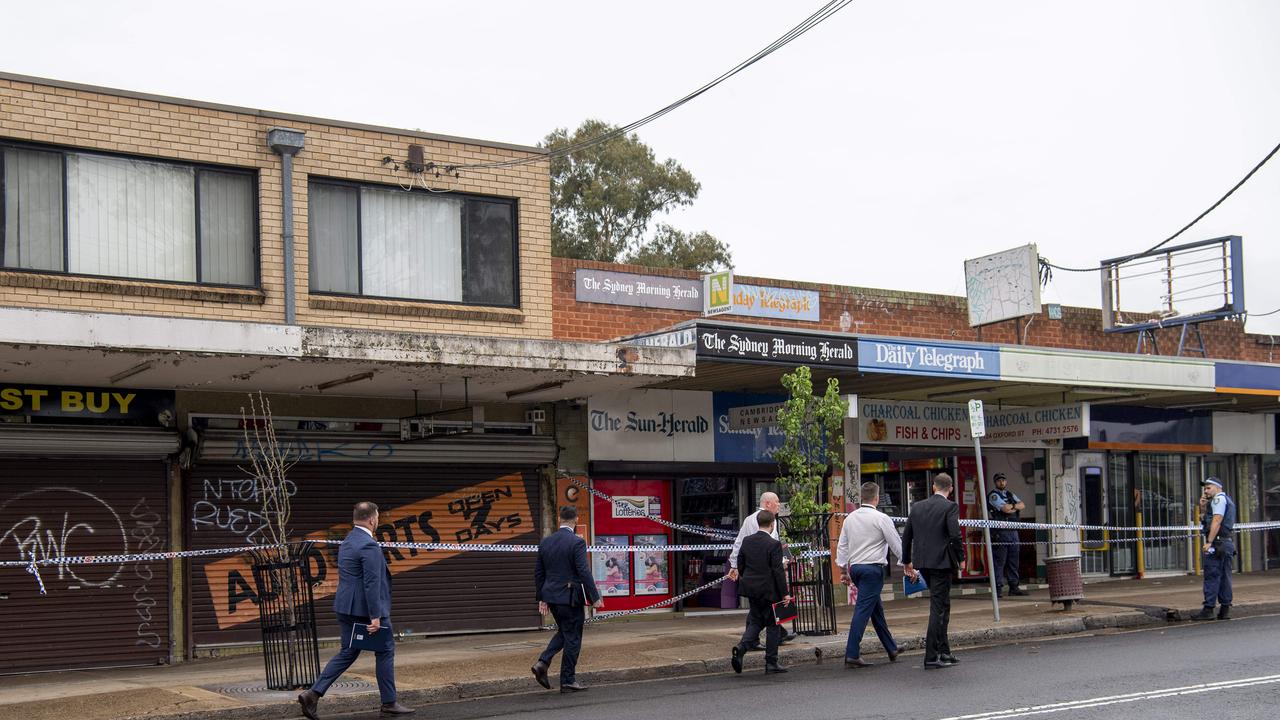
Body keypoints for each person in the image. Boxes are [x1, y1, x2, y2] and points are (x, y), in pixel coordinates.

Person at [298, 502, 413, 719]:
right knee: (385, 650)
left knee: (348, 651)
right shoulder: (369, 545)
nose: (377, 520)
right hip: (366, 609)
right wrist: (376, 616)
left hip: (345, 606)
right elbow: (371, 582)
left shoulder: (348, 541)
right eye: (377, 517)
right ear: (372, 519)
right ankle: (389, 703)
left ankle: (312, 694)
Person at [532, 506, 603, 693]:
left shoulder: (546, 542)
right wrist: (595, 597)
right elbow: (583, 571)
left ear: (559, 519)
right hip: (569, 598)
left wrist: (542, 598)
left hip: (552, 597)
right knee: (573, 638)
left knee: (565, 632)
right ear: (576, 520)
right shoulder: (576, 542)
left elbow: (539, 573)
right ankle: (568, 680)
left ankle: (542, 663)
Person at [902, 473, 965, 669]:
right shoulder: (950, 507)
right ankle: (931, 656)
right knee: (938, 609)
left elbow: (907, 536)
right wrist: (961, 559)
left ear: (933, 487)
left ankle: (945, 652)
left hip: (923, 562)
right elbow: (955, 535)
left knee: (943, 606)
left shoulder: (918, 507)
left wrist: (907, 561)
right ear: (951, 488)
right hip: (942, 563)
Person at [836, 482, 901, 668]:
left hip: (856, 569)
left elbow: (842, 545)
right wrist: (907, 563)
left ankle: (892, 648)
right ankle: (852, 654)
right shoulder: (881, 518)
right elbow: (895, 542)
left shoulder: (850, 518)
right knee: (863, 610)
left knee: (875, 610)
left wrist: (843, 570)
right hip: (873, 570)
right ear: (877, 498)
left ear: (861, 498)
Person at [728, 491, 795, 646]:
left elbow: (740, 542)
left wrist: (734, 565)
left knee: (759, 609)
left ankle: (774, 635)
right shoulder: (759, 521)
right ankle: (756, 642)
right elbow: (769, 545)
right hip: (764, 573)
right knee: (760, 610)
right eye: (776, 501)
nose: (779, 504)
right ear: (767, 504)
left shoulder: (757, 519)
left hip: (754, 573)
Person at [730, 510, 791, 675]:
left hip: (751, 588)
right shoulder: (774, 544)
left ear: (757, 523)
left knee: (756, 621)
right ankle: (771, 662)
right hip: (769, 590)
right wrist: (785, 593)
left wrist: (748, 577)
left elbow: (740, 563)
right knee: (773, 625)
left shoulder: (747, 541)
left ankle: (741, 648)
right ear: (772, 525)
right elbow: (777, 571)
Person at [1191, 477, 1236, 621]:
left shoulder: (1218, 500)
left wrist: (1209, 541)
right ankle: (1225, 609)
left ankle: (1208, 609)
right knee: (1225, 577)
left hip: (1217, 544)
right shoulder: (1227, 500)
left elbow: (1216, 521)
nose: (1205, 491)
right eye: (1205, 488)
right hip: (1226, 543)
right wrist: (1203, 508)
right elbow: (1210, 520)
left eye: (1208, 487)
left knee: (1212, 576)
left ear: (1218, 488)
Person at [987, 472, 1028, 597]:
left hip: (1013, 530)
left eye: (1003, 480)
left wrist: (1012, 507)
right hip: (1001, 531)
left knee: (1013, 560)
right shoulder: (994, 495)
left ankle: (1014, 586)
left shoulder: (1009, 494)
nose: (1002, 482)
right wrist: (1012, 507)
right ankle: (998, 588)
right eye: (999, 480)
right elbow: (1005, 509)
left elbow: (1022, 505)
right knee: (1000, 561)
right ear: (995, 482)